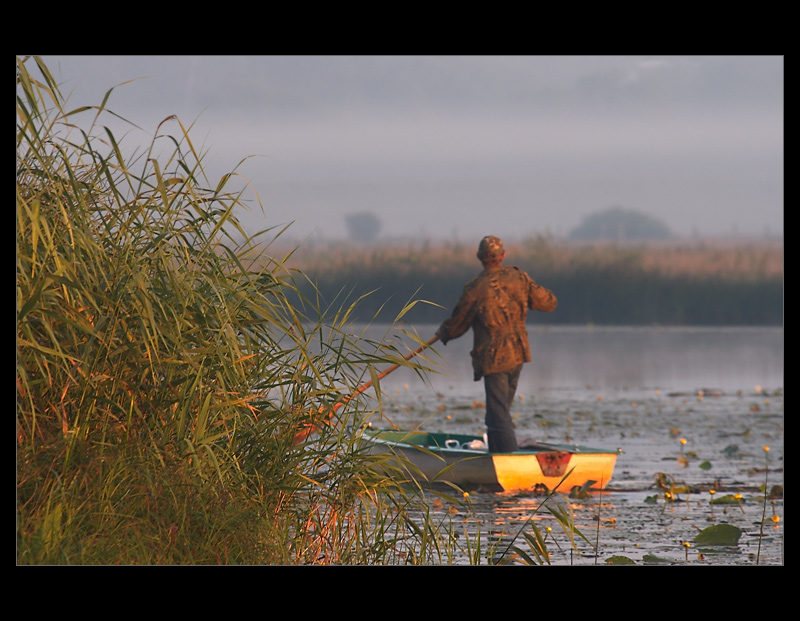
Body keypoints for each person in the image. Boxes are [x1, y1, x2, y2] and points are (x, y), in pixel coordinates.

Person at [436, 235, 557, 453]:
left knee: (499, 413)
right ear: (503, 256)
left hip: (495, 358)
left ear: (479, 257)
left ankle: (511, 458)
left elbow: (457, 325)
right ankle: (496, 455)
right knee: (496, 412)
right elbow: (548, 302)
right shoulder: (519, 278)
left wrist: (443, 333)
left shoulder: (475, 289)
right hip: (518, 353)